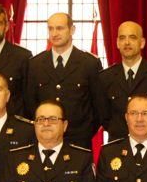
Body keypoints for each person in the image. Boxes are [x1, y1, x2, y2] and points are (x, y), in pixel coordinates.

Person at [24, 12, 103, 149]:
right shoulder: (35, 64)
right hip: (45, 140)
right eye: (50, 29)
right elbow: (30, 104)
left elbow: (99, 106)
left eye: (60, 28)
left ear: (72, 30)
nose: (54, 33)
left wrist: (84, 132)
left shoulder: (89, 63)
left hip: (79, 140)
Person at [95, 21, 147, 142]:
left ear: (142, 43)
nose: (127, 42)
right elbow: (104, 116)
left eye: (132, 37)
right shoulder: (105, 77)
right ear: (117, 43)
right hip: (118, 146)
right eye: (122, 38)